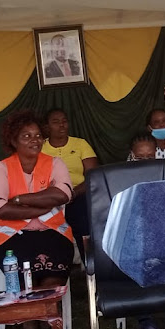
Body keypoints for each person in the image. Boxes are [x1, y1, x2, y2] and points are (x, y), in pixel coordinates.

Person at [0, 110, 75, 329]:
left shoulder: (55, 163)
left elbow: (63, 194)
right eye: (26, 136)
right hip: (12, 237)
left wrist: (18, 199)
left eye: (37, 135)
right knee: (25, 275)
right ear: (13, 141)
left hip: (53, 232)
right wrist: (39, 206)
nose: (34, 140)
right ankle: (31, 323)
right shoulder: (1, 168)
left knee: (52, 276)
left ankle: (40, 319)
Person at [126, 131, 165, 329]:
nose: (144, 162)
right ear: (131, 156)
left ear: (156, 155)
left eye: (149, 158)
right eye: (139, 158)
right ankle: (145, 320)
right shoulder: (121, 178)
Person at [41, 108, 98, 263]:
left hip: (77, 195)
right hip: (50, 199)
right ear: (46, 127)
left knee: (83, 223)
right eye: (56, 122)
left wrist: (72, 194)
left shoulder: (80, 144)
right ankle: (54, 269)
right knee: (48, 232)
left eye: (64, 121)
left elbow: (92, 176)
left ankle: (91, 268)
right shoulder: (40, 148)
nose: (62, 125)